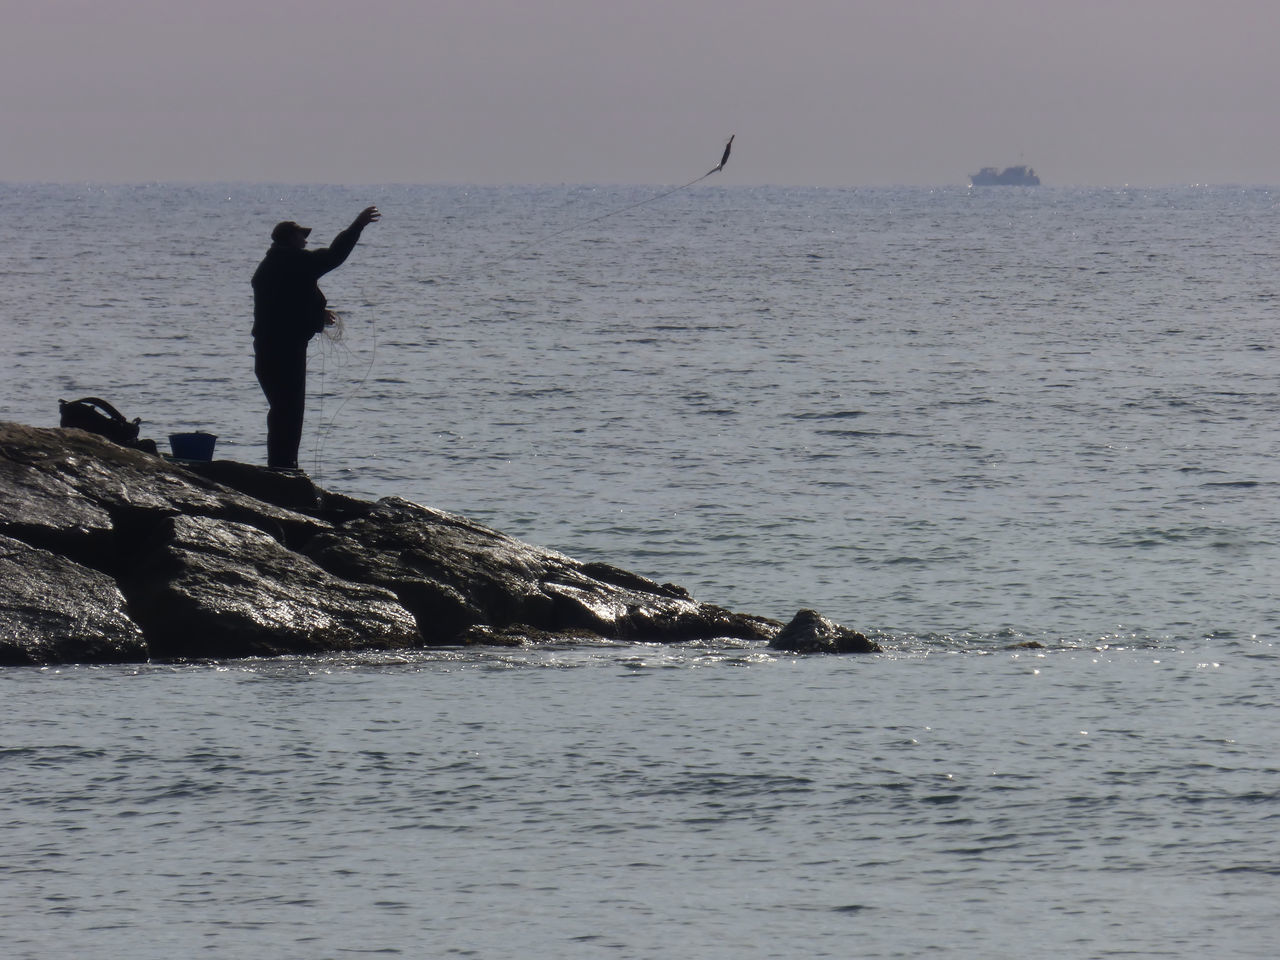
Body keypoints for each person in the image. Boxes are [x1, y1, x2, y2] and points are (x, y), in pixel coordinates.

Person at [251, 205, 380, 471]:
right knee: (288, 410)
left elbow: (285, 305)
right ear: (289, 239)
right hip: (284, 349)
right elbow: (333, 256)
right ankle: (283, 468)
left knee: (283, 409)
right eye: (301, 236)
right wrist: (358, 225)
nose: (306, 241)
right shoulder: (292, 262)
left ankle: (282, 465)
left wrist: (316, 314)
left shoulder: (273, 265)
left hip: (271, 348)